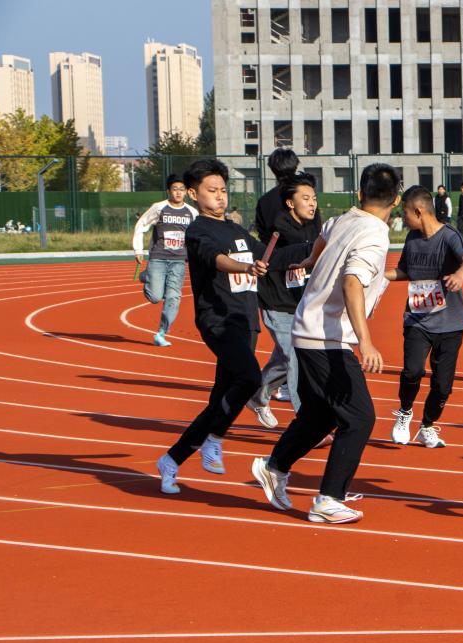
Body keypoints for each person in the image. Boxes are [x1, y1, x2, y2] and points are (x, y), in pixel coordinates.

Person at [251, 163, 401, 524]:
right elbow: (352, 283)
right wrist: (366, 342)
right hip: (327, 337)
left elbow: (322, 239)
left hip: (308, 328)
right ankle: (329, 499)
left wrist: (311, 260)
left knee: (322, 414)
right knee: (360, 418)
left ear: (360, 194)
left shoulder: (343, 219)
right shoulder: (375, 234)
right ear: (396, 200)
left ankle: (275, 466)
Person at [155, 159, 313, 495]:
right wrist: (245, 266)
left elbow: (272, 258)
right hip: (218, 320)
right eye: (212, 191)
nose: (220, 196)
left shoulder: (237, 231)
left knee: (220, 401)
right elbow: (217, 259)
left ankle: (171, 460)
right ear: (195, 194)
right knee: (250, 378)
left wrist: (315, 248)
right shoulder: (198, 231)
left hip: (245, 322)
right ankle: (215, 437)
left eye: (223, 190)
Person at [387, 186, 463, 448]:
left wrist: (460, 274)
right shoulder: (412, 238)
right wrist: (379, 274)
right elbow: (404, 271)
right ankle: (405, 411)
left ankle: (427, 424)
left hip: (450, 323)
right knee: (412, 371)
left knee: (442, 385)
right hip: (417, 319)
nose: (403, 218)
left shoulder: (449, 236)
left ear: (419, 211)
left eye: (405, 213)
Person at [246, 173, 322, 429]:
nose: (312, 203)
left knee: (284, 358)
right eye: (305, 198)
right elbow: (304, 249)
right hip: (275, 302)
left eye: (314, 198)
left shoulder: (314, 226)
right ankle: (307, 423)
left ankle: (258, 394)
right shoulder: (280, 228)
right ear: (290, 203)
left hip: (299, 301)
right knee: (295, 356)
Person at [132, 174, 198, 347]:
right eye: (175, 189)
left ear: (187, 192)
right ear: (169, 191)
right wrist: (138, 249)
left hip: (179, 261)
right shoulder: (159, 208)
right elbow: (141, 225)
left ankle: (161, 333)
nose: (178, 192)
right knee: (155, 297)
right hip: (158, 258)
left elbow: (198, 235)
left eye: (182, 189)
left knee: (173, 297)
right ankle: (146, 276)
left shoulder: (192, 212)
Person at [254, 148, 322, 235]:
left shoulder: (264, 201)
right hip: (308, 243)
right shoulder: (305, 193)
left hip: (275, 243)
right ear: (295, 166)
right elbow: (317, 227)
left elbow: (262, 231)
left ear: (273, 169)